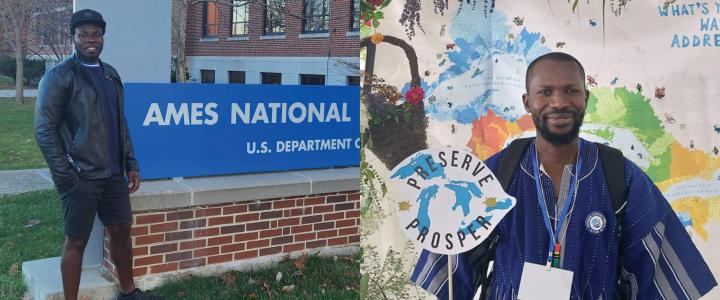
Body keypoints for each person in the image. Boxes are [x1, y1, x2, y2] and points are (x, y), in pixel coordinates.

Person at [411, 52, 717, 299]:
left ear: (585, 98)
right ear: (527, 102)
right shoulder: (495, 174)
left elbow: (654, 274)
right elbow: (453, 268)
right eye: (545, 92)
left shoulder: (619, 175)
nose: (559, 102)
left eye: (571, 90)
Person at [35, 9, 162, 300]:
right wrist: (67, 176)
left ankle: (128, 292)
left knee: (121, 233)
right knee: (76, 241)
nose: (90, 40)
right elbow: (45, 131)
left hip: (113, 176)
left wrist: (131, 163)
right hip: (80, 177)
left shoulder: (110, 74)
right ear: (73, 38)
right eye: (83, 35)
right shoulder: (59, 77)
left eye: (96, 34)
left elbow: (120, 123)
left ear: (103, 37)